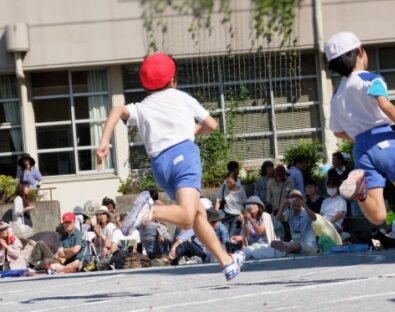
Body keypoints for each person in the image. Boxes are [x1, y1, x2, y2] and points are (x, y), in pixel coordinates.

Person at [96, 52, 244, 281]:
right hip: (184, 156)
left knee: (198, 215)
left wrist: (105, 142)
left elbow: (117, 110)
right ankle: (149, 211)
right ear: (173, 80)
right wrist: (194, 130)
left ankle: (226, 262)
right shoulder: (181, 97)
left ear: (146, 85)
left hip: (160, 166)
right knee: (186, 216)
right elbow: (212, 124)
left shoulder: (143, 107)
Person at [325, 32, 395, 274]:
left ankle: (360, 193)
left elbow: (338, 131)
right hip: (385, 139)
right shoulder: (371, 79)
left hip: (361, 148)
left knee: (378, 215)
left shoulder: (337, 95)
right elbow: (384, 104)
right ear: (360, 52)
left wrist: (360, 137)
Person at [271, 190, 318, 255]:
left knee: (293, 246)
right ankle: (286, 250)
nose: (295, 202)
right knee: (274, 243)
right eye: (292, 199)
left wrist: (303, 204)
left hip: (309, 245)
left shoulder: (306, 212)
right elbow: (278, 218)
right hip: (295, 243)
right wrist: (283, 205)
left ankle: (286, 251)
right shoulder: (289, 212)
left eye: (297, 199)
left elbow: (314, 218)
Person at [215, 172, 248, 236]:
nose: (228, 184)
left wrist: (243, 215)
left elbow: (245, 204)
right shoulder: (224, 187)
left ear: (235, 181)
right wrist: (215, 215)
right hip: (226, 215)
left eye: (230, 182)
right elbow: (218, 200)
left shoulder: (241, 190)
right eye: (227, 182)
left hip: (237, 216)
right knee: (223, 235)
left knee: (232, 237)